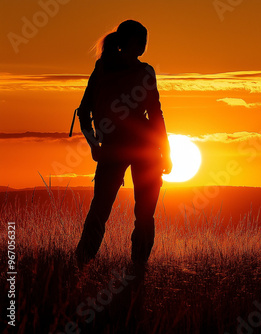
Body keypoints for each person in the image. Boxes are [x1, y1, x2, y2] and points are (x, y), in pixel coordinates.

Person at [74, 20, 172, 268]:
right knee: (112, 212)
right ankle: (87, 265)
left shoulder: (108, 69)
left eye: (145, 40)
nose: (144, 45)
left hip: (133, 149)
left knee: (129, 214)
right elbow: (84, 111)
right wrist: (93, 144)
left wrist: (95, 143)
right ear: (128, 42)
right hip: (127, 149)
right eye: (141, 40)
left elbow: (156, 113)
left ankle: (124, 269)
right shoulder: (106, 69)